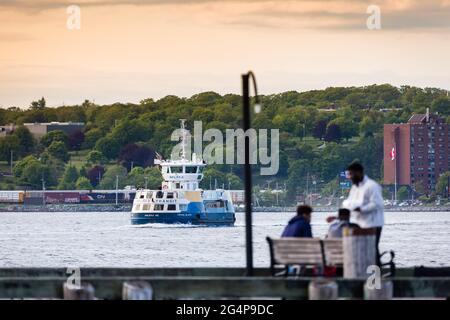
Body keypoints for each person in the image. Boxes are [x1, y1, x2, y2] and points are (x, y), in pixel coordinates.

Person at [342, 162, 384, 265]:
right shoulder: (355, 187)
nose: (350, 177)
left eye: (351, 174)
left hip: (373, 223)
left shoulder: (372, 186)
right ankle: (366, 272)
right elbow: (348, 201)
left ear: (359, 173)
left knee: (372, 249)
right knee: (363, 250)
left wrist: (361, 209)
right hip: (360, 223)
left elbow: (377, 204)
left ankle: (376, 274)